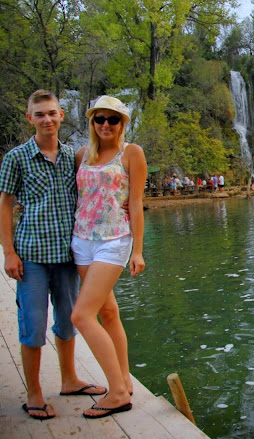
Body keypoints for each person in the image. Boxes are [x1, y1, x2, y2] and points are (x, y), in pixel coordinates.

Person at [0, 90, 107, 421]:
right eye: (40, 114)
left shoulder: (75, 157)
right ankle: (33, 392)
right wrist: (8, 253)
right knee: (33, 325)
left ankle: (69, 380)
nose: (47, 119)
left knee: (67, 321)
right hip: (31, 256)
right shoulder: (16, 158)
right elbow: (5, 205)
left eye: (51, 113)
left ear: (61, 115)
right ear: (29, 118)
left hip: (66, 256)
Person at [70, 95, 147, 419]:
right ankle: (125, 380)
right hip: (81, 241)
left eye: (112, 119)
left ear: (122, 123)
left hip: (114, 240)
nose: (105, 125)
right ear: (92, 122)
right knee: (108, 312)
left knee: (81, 316)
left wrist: (138, 250)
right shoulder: (81, 155)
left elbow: (136, 202)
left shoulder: (131, 153)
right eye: (99, 119)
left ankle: (116, 393)